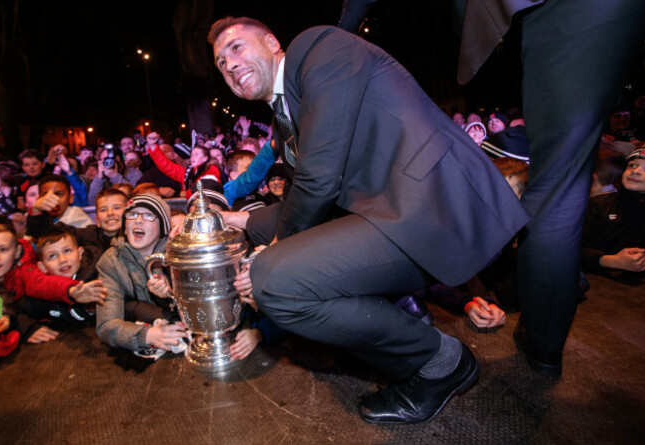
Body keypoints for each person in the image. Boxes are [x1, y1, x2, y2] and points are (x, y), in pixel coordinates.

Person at [209, 17, 528, 424]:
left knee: (273, 280)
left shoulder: (318, 47)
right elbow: (298, 195)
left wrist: (271, 250)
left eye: (236, 48)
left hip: (429, 207)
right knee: (261, 228)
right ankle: (392, 333)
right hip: (384, 210)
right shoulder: (284, 109)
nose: (230, 65)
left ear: (272, 42)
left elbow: (320, 175)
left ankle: (438, 362)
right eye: (220, 63)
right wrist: (238, 219)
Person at [454, 0, 645, 377]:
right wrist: (468, 299)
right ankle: (546, 348)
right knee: (565, 183)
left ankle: (540, 341)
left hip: (563, 17)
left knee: (556, 188)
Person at [95, 194, 188, 356]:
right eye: (132, 215)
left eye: (148, 215)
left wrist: (170, 294)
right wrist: (147, 335)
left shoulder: (181, 253)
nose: (138, 220)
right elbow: (106, 324)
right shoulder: (111, 261)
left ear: (163, 228)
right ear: (124, 227)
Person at [581, 146, 645, 274]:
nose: (636, 171)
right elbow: (570, 249)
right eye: (632, 165)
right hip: (597, 285)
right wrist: (610, 260)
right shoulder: (598, 204)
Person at [27, 188, 128, 255]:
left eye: (117, 207)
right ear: (97, 220)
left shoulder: (139, 238)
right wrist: (36, 211)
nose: (110, 213)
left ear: (129, 214)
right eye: (103, 209)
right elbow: (47, 232)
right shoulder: (89, 235)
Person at [145, 132, 221, 200]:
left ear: (205, 158)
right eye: (192, 154)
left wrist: (185, 193)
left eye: (196, 154)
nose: (192, 156)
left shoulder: (212, 169)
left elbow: (204, 189)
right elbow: (165, 165)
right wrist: (152, 145)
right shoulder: (188, 172)